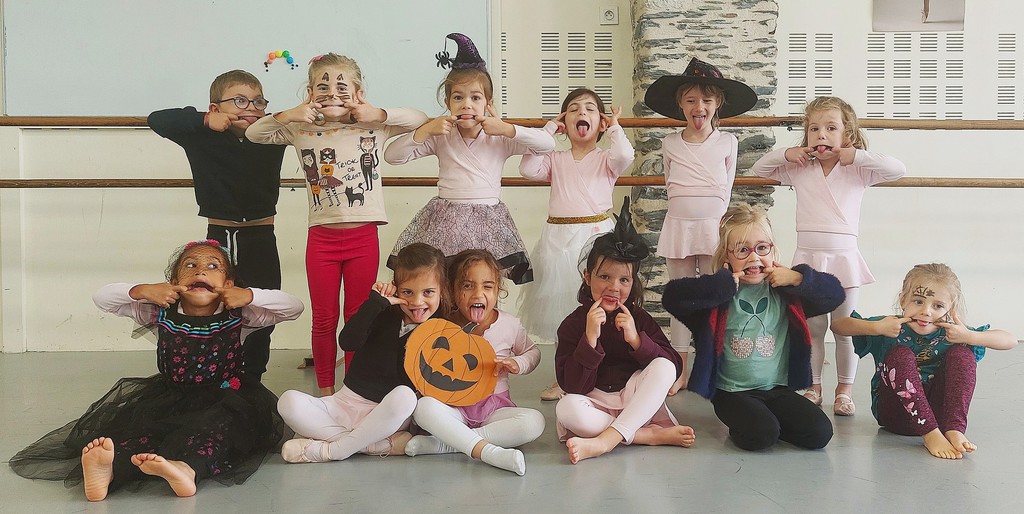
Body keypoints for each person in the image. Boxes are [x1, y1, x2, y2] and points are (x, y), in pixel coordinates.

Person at [9, 240, 303, 500]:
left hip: (226, 398)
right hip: (170, 397)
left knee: (215, 431)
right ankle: (109, 471)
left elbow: (294, 308)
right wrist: (142, 291)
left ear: (228, 284)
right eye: (190, 266)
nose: (200, 271)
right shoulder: (156, 311)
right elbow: (103, 298)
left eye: (213, 266)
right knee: (144, 435)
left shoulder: (240, 316)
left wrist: (250, 295)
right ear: (173, 282)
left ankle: (187, 469)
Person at [247, 53, 429, 395]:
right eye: (323, 86)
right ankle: (326, 391)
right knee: (324, 318)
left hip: (364, 237)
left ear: (358, 92)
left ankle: (353, 391)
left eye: (342, 87)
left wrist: (378, 113)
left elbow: (419, 118)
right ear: (310, 92)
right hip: (322, 239)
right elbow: (255, 133)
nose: (332, 93)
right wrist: (289, 114)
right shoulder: (300, 128)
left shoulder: (373, 126)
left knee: (358, 316)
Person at [751, 96, 906, 416]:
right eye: (814, 128)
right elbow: (760, 167)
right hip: (808, 261)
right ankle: (815, 386)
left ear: (847, 134)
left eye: (831, 128)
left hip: (843, 260)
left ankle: (844, 390)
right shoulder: (800, 168)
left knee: (844, 327)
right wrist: (787, 153)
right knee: (813, 329)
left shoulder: (858, 170)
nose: (821, 134)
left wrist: (856, 155)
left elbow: (897, 169)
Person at [662, 204, 844, 451]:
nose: (754, 257)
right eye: (742, 250)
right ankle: (759, 424)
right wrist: (721, 285)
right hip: (731, 393)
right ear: (727, 256)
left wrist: (798, 278)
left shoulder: (784, 292)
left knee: (820, 433)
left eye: (762, 248)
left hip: (776, 390)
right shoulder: (719, 297)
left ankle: (768, 421)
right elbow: (672, 298)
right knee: (761, 435)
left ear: (772, 249)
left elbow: (834, 295)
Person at [148, 70, 288, 382]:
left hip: (261, 236)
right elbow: (157, 119)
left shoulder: (270, 135)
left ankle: (251, 377)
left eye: (258, 102)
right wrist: (204, 120)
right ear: (215, 107)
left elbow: (299, 121)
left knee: (261, 306)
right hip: (221, 236)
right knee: (215, 304)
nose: (251, 108)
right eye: (240, 101)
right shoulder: (202, 135)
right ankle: (214, 372)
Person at [384, 33, 555, 285]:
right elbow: (392, 156)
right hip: (446, 221)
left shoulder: (500, 136)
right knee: (447, 281)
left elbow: (547, 144)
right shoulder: (441, 135)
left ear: (488, 103)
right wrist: (425, 131)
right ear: (448, 102)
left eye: (475, 98)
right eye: (458, 97)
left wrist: (507, 128)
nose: (467, 104)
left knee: (481, 282)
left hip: (487, 222)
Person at [643, 57, 758, 395]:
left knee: (714, 297)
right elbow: (670, 185)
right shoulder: (670, 143)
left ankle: (712, 366)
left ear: (718, 103)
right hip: (679, 227)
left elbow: (726, 188)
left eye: (706, 100)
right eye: (691, 100)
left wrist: (722, 228)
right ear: (680, 104)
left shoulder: (728, 142)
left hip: (713, 229)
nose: (699, 107)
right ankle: (679, 368)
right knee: (680, 297)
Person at [276, 243, 449, 463]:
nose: (417, 301)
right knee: (287, 402)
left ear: (441, 290)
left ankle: (332, 451)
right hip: (346, 402)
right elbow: (348, 342)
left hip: (386, 414)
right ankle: (372, 446)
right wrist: (374, 303)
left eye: (428, 292)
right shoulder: (382, 310)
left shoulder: (442, 330)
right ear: (395, 288)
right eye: (408, 292)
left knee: (405, 396)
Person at [516, 88, 633, 401]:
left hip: (595, 237)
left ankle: (603, 372)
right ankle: (565, 376)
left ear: (600, 122)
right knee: (563, 312)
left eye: (591, 109)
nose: (583, 113)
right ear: (564, 123)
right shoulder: (555, 159)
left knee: (599, 306)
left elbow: (625, 155)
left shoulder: (606, 159)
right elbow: (527, 169)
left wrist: (615, 128)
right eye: (574, 109)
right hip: (557, 240)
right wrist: (547, 131)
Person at [554, 198, 693, 464]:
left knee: (663, 365)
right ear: (587, 277)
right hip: (593, 402)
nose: (614, 287)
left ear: (632, 283)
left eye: (624, 280)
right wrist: (590, 340)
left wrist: (638, 341)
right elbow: (572, 386)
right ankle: (642, 435)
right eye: (604, 277)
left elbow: (673, 368)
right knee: (566, 408)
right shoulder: (572, 324)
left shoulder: (638, 318)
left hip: (633, 399)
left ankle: (605, 441)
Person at [832, 263, 1017, 459]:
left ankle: (955, 429)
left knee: (963, 354)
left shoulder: (953, 332)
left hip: (941, 416)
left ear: (950, 308)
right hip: (896, 415)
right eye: (918, 301)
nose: (926, 311)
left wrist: (970, 336)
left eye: (938, 306)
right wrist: (876, 328)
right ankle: (931, 435)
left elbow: (1010, 340)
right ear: (903, 300)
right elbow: (838, 325)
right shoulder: (889, 325)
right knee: (900, 355)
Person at [405, 249, 545, 476]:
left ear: (498, 290)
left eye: (487, 286)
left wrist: (518, 363)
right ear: (452, 290)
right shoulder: (442, 325)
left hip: (494, 409)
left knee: (534, 422)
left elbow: (533, 352)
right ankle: (484, 449)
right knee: (423, 408)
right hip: (454, 407)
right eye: (468, 286)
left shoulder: (509, 324)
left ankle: (446, 444)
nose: (478, 294)